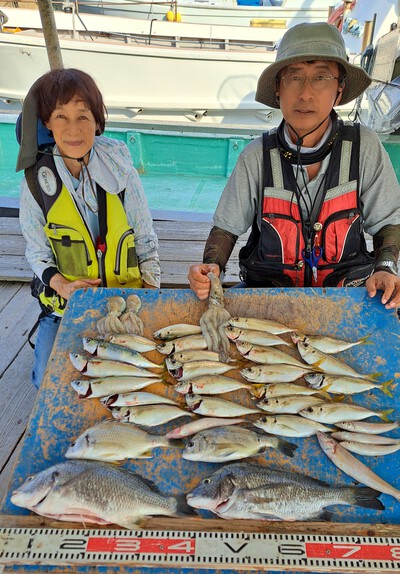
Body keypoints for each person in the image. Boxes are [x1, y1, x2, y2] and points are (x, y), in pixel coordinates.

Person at [188, 22, 400, 310]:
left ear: (340, 89)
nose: (306, 94)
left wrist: (385, 267)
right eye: (294, 78)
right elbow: (225, 230)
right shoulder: (255, 157)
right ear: (277, 89)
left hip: (347, 297)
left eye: (321, 77)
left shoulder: (364, 147)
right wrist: (211, 268)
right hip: (267, 297)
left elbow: (388, 223)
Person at [18, 68, 160, 389]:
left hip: (127, 301)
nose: (73, 130)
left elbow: (146, 241)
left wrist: (149, 299)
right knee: (47, 382)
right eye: (60, 117)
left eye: (83, 116)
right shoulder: (35, 182)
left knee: (144, 374)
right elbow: (37, 253)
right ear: (47, 124)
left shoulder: (121, 170)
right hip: (67, 307)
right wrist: (62, 286)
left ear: (98, 121)